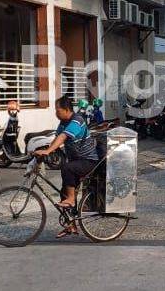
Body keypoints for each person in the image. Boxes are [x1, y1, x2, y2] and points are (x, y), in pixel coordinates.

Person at [35, 95, 99, 238]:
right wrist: (44, 152)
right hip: (77, 162)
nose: (56, 113)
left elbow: (63, 137)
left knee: (67, 168)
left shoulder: (77, 120)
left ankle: (71, 199)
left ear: (66, 109)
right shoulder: (63, 122)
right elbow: (57, 139)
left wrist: (48, 151)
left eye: (57, 110)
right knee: (63, 194)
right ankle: (71, 226)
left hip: (88, 161)